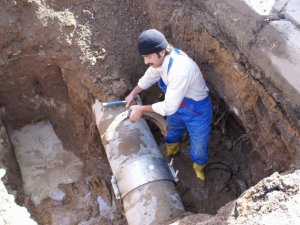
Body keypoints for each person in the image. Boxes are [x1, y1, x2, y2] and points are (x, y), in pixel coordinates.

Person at [125, 29, 212, 181]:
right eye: (144, 57)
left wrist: (142, 109)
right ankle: (173, 152)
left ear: (161, 52)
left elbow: (169, 107)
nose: (146, 62)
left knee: (199, 149)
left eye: (148, 57)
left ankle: (199, 168)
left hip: (197, 112)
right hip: (178, 107)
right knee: (170, 133)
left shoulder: (180, 70)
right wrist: (133, 93)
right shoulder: (161, 61)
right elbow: (150, 76)